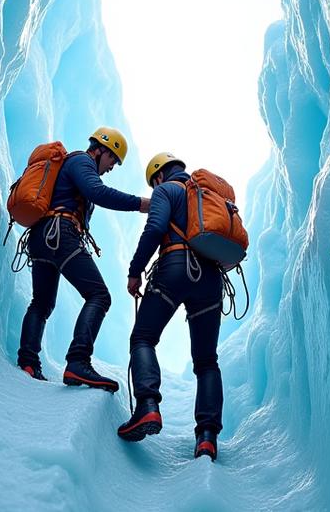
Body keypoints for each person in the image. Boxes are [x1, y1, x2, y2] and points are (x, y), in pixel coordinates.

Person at [17, 127, 150, 392]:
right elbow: (96, 192)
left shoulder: (74, 164)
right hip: (60, 234)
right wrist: (140, 204)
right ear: (101, 149)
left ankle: (28, 363)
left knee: (41, 303)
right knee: (99, 296)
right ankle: (78, 361)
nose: (112, 166)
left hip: (42, 237)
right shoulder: (81, 161)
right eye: (113, 159)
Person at [117, 153, 224, 461]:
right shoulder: (206, 195)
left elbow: (154, 229)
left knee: (143, 338)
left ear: (159, 176)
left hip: (176, 267)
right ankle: (207, 438)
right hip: (211, 280)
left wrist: (135, 270)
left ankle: (148, 407)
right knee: (207, 362)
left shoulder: (167, 190)